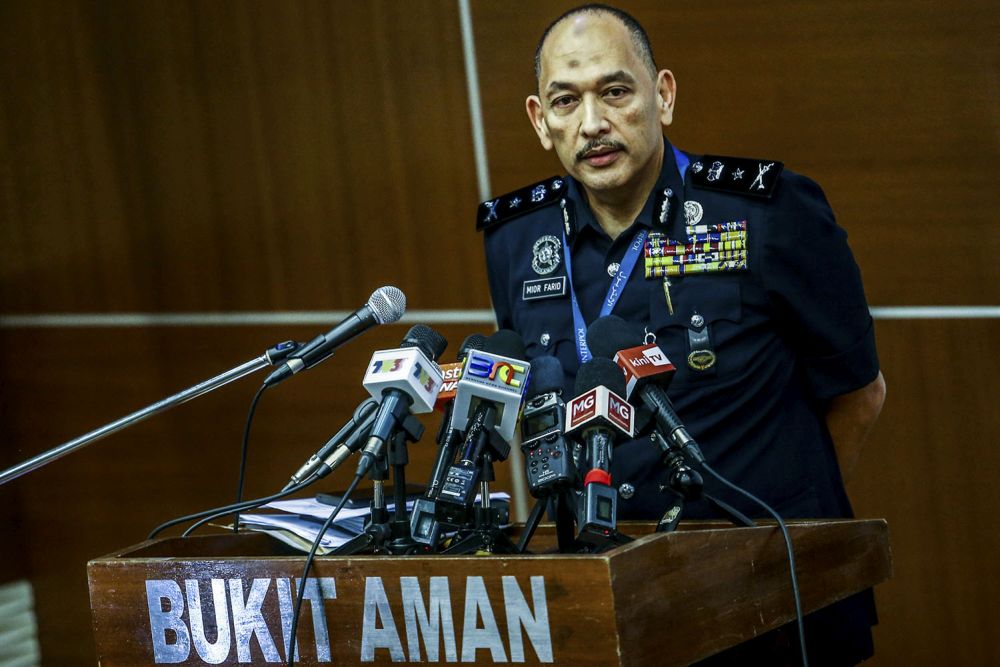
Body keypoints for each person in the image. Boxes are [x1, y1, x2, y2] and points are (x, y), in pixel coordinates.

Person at [478, 4, 887, 665]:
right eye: (565, 100)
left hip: (770, 605)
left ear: (662, 95)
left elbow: (859, 393)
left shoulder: (767, 213)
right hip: (614, 609)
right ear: (538, 119)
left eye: (615, 91)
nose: (592, 123)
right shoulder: (516, 242)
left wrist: (787, 539)